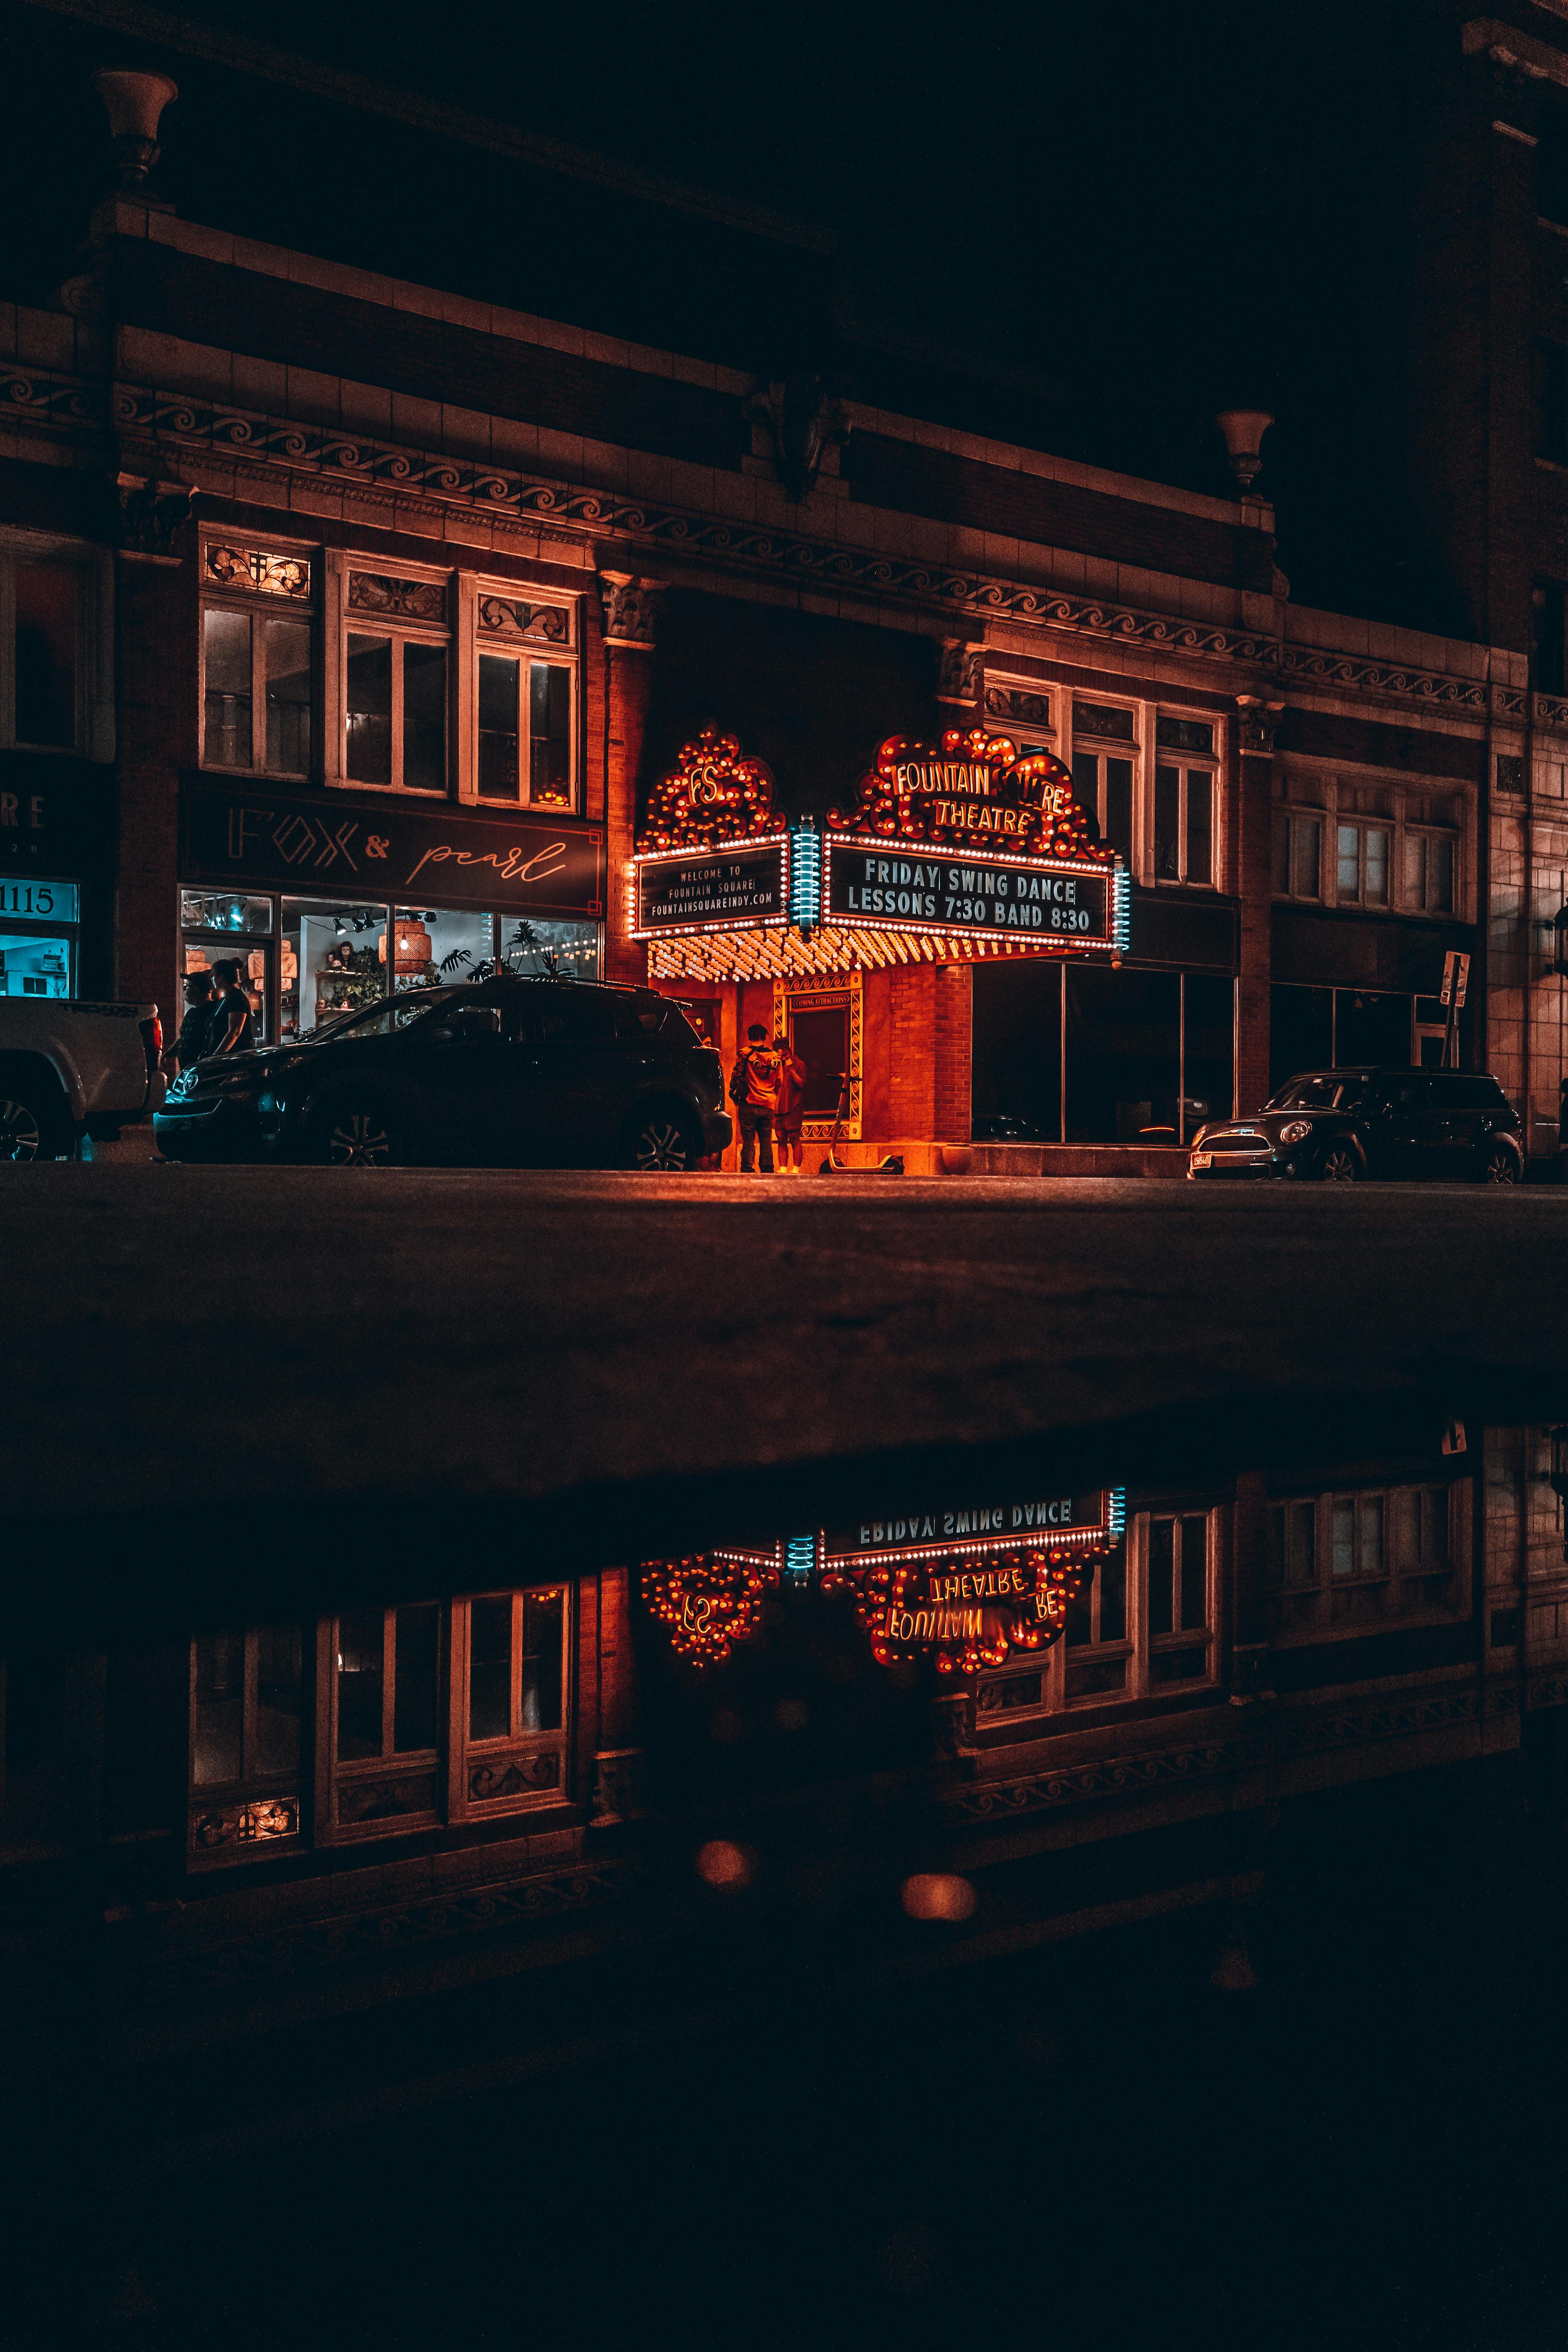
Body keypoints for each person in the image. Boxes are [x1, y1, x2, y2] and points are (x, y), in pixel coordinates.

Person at [729, 1023, 782, 1173]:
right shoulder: (776, 1058)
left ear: (749, 1037)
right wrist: (771, 1095)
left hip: (749, 1103)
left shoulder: (744, 1054)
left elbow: (736, 1078)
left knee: (748, 1141)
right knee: (766, 1141)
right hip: (768, 1105)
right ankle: (767, 1169)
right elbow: (780, 1082)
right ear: (765, 1037)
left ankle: (747, 1168)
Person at [166, 968, 219, 1079]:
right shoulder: (191, 1012)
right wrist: (167, 1055)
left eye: (187, 987)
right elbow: (184, 1039)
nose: (184, 990)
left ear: (197, 989)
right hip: (189, 1073)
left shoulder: (213, 1011)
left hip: (203, 1073)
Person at [773, 1039, 809, 1175]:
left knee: (794, 1138)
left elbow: (802, 1084)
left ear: (788, 1051)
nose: (782, 1057)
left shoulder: (799, 1064)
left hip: (793, 1107)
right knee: (781, 1138)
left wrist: (792, 1070)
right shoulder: (777, 1066)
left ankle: (796, 1170)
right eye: (779, 1055)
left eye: (783, 1055)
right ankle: (783, 1169)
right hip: (778, 1107)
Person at [208, 957, 257, 1056]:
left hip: (233, 1059)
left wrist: (218, 1055)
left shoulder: (237, 999)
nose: (212, 980)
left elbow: (235, 1031)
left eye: (213, 976)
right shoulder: (226, 999)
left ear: (221, 977)